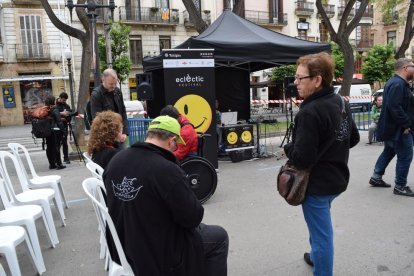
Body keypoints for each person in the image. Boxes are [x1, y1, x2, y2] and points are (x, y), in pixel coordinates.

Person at [103, 115, 229, 275]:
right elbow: (193, 217)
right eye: (176, 144)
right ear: (170, 140)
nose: (175, 149)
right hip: (156, 252)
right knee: (219, 237)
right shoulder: (166, 170)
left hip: (122, 246)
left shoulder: (116, 160)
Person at [283, 52, 359, 276]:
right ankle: (315, 256)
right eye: (295, 77)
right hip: (337, 179)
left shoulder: (310, 111)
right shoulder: (339, 101)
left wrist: (287, 148)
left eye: (300, 78)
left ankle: (322, 268)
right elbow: (352, 138)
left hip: (316, 185)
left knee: (321, 236)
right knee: (319, 228)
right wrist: (333, 151)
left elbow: (302, 159)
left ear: (317, 80)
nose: (295, 83)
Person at [369, 58, 414, 196]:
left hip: (393, 127)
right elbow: (395, 107)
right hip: (399, 129)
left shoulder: (396, 82)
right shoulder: (398, 84)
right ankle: (400, 186)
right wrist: (406, 124)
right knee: (406, 156)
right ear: (405, 68)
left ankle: (376, 177)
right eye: (413, 66)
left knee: (389, 151)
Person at [90, 68, 128, 147]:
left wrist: (124, 132)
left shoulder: (117, 91)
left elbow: (123, 111)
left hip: (119, 134)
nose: (113, 86)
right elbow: (98, 119)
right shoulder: (96, 94)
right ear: (103, 80)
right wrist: (113, 135)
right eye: (111, 84)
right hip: (105, 138)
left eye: (115, 83)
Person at [44, 95, 66, 170]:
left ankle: (52, 164)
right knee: (56, 147)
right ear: (53, 101)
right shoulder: (55, 109)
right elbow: (59, 122)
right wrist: (63, 131)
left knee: (49, 148)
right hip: (55, 131)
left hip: (47, 131)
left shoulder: (46, 109)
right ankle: (59, 164)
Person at [55, 92, 71, 164]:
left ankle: (66, 158)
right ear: (60, 98)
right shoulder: (55, 106)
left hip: (64, 126)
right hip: (57, 127)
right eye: (63, 100)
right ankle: (57, 160)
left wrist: (68, 117)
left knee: (65, 142)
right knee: (58, 143)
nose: (64, 101)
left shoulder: (66, 106)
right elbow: (53, 115)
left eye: (65, 100)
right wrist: (61, 117)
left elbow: (69, 116)